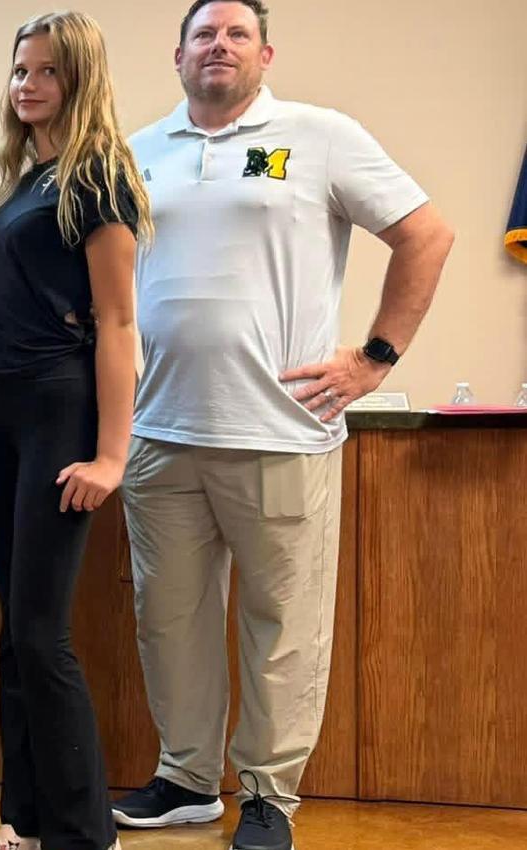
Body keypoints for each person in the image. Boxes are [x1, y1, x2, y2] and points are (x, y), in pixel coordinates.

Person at [113, 3, 454, 850]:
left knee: (283, 630)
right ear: (178, 54)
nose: (218, 46)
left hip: (280, 433)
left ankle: (269, 797)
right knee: (169, 622)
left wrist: (374, 358)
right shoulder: (136, 152)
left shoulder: (318, 136)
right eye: (204, 34)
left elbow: (426, 234)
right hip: (159, 433)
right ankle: (187, 779)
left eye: (237, 34)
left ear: (265, 54)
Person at [0, 11, 149, 850]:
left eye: (46, 70)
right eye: (20, 70)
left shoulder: (97, 176)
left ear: (80, 78)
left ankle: (82, 834)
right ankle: (25, 820)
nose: (28, 84)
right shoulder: (21, 178)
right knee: (16, 632)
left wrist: (111, 454)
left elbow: (118, 321)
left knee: (41, 636)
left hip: (56, 406)